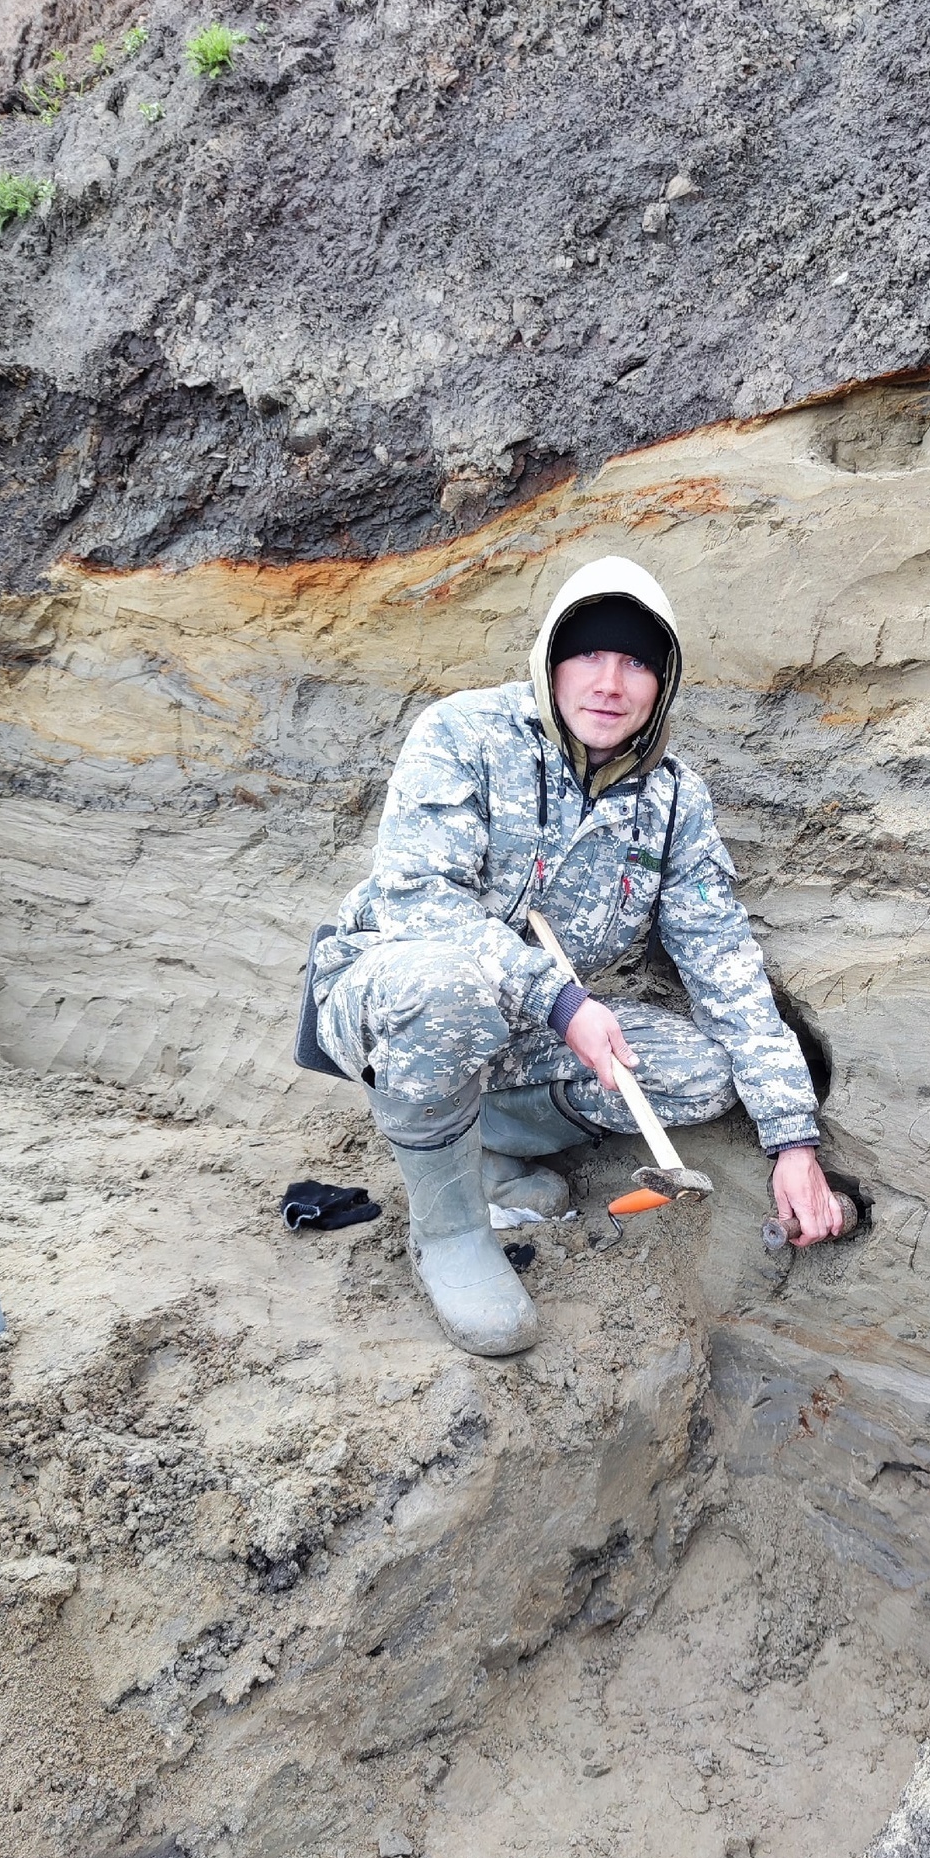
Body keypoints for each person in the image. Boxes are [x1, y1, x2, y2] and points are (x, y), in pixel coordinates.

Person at [312, 554, 845, 1355]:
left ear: (661, 684)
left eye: (635, 661)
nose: (609, 682)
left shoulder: (672, 802)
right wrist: (563, 1004)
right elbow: (420, 902)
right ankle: (451, 1233)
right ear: (550, 659)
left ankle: (485, 1145)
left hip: (530, 1032)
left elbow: (725, 965)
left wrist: (793, 1142)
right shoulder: (464, 734)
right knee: (446, 985)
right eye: (589, 652)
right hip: (395, 996)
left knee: (701, 1071)